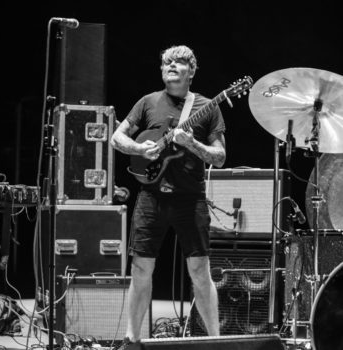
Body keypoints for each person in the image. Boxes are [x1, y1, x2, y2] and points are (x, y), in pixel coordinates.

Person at [110, 45, 226, 349]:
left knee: (200, 271)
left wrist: (192, 145)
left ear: (192, 70)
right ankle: (131, 339)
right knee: (140, 267)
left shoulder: (207, 106)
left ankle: (214, 342)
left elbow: (220, 156)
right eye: (166, 62)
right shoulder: (147, 102)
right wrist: (138, 149)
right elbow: (116, 136)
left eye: (178, 62)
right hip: (151, 196)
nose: (170, 65)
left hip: (190, 199)